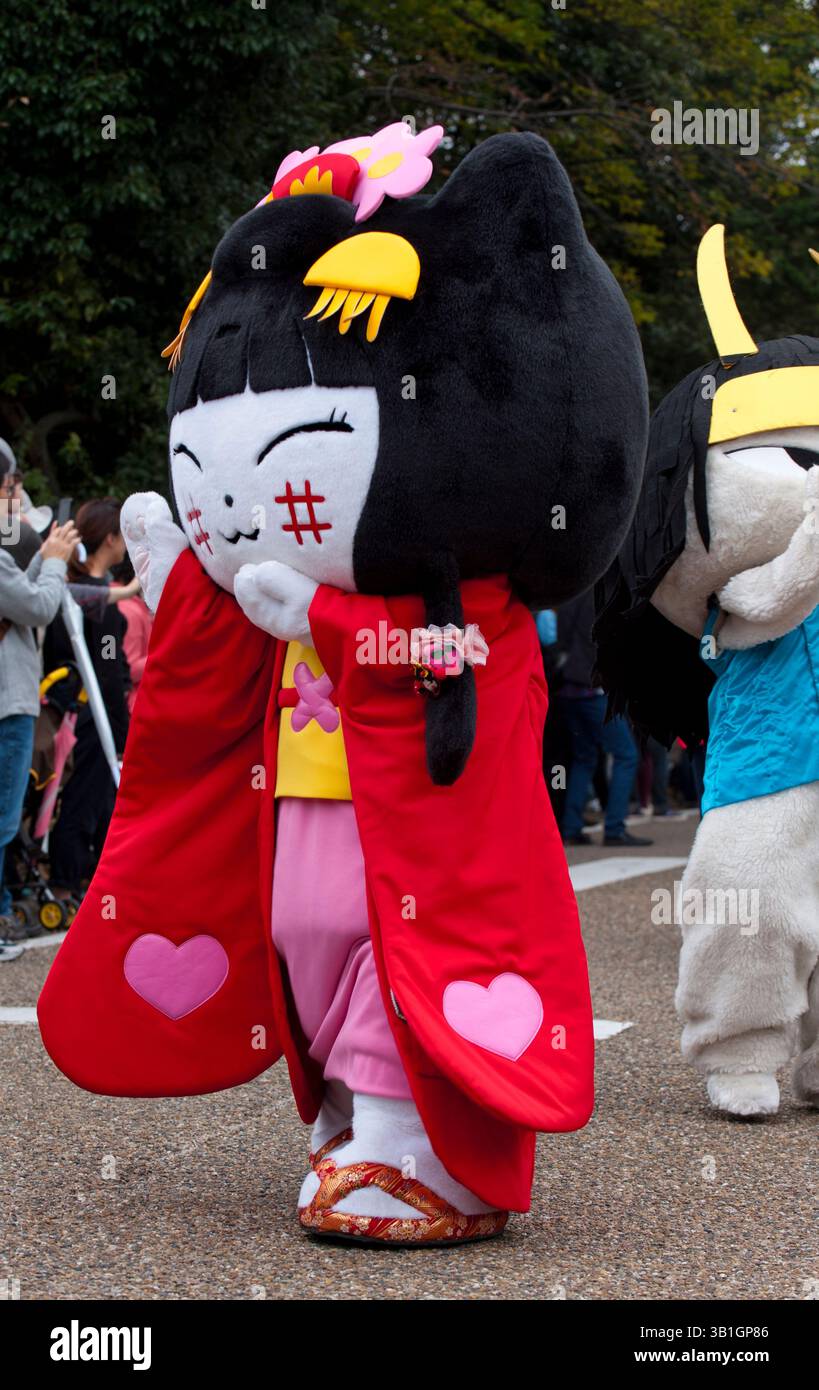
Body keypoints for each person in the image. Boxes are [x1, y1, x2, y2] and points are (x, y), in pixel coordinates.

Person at [0, 447, 79, 955]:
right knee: (5, 818)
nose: (17, 500)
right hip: (8, 702)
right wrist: (52, 563)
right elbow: (39, 607)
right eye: (11, 488)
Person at [45, 498, 130, 900]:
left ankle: (72, 877)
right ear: (110, 538)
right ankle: (71, 880)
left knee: (77, 795)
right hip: (94, 716)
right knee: (90, 799)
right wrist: (123, 727)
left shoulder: (66, 591)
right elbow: (110, 667)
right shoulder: (102, 607)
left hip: (63, 710)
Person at [557, 589, 652, 847]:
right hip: (594, 690)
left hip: (568, 687)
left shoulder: (571, 595)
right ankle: (614, 828)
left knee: (583, 759)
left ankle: (571, 827)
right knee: (626, 755)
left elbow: (561, 639)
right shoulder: (606, 596)